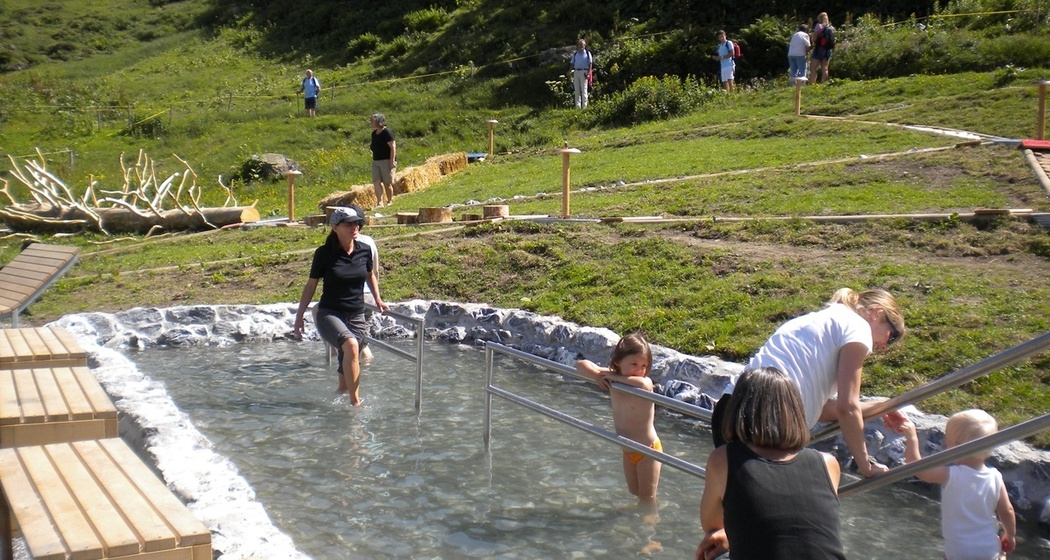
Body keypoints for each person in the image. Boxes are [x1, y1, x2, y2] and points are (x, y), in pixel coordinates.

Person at [711, 288, 908, 478]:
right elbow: (847, 407)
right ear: (876, 312)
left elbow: (820, 408)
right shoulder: (859, 327)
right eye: (891, 336)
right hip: (768, 420)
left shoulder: (818, 320)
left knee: (734, 505)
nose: (885, 347)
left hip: (731, 410)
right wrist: (866, 465)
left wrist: (880, 407)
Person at [697, 367, 846, 560]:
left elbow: (713, 525)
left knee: (713, 552)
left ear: (736, 410)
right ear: (795, 412)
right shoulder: (828, 463)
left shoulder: (724, 459)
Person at [293, 205, 389, 405]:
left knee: (349, 353)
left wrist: (378, 298)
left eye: (357, 223)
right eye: (349, 224)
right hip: (330, 313)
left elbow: (370, 275)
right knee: (352, 346)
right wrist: (299, 316)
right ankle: (356, 404)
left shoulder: (364, 250)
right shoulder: (324, 253)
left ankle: (343, 391)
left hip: (356, 313)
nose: (355, 227)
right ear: (335, 227)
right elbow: (311, 286)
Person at [893, 409, 1016, 560]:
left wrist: (912, 437)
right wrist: (1009, 535)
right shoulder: (995, 477)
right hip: (988, 549)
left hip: (959, 551)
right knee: (1001, 555)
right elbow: (1007, 511)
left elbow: (918, 469)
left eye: (947, 443)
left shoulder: (952, 475)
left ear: (957, 447)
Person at [575, 333, 662, 510]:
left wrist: (613, 377)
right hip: (627, 449)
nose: (639, 369)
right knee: (634, 493)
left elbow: (644, 385)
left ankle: (651, 535)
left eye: (644, 365)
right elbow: (580, 365)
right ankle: (635, 529)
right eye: (634, 364)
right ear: (618, 363)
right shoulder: (611, 377)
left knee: (648, 499)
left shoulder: (642, 382)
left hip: (648, 450)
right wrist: (597, 375)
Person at [369, 113, 397, 208]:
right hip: (376, 161)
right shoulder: (374, 133)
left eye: (372, 121)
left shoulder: (387, 132)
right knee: (376, 182)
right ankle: (379, 202)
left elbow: (393, 147)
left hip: (386, 160)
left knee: (387, 183)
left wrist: (392, 161)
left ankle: (389, 201)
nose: (371, 123)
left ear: (379, 121)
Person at [809, 12, 835, 83]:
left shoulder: (818, 26)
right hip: (828, 49)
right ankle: (824, 83)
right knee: (825, 68)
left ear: (819, 19)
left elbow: (814, 39)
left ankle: (812, 83)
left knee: (813, 67)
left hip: (819, 48)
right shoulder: (831, 28)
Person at [569, 39, 593, 109]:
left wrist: (589, 73)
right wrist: (569, 71)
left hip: (584, 72)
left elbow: (590, 64)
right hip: (576, 71)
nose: (581, 46)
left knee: (584, 89)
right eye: (579, 44)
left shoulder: (588, 54)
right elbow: (572, 63)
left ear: (585, 45)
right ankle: (578, 107)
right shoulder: (575, 54)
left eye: (582, 44)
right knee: (577, 90)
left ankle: (584, 107)